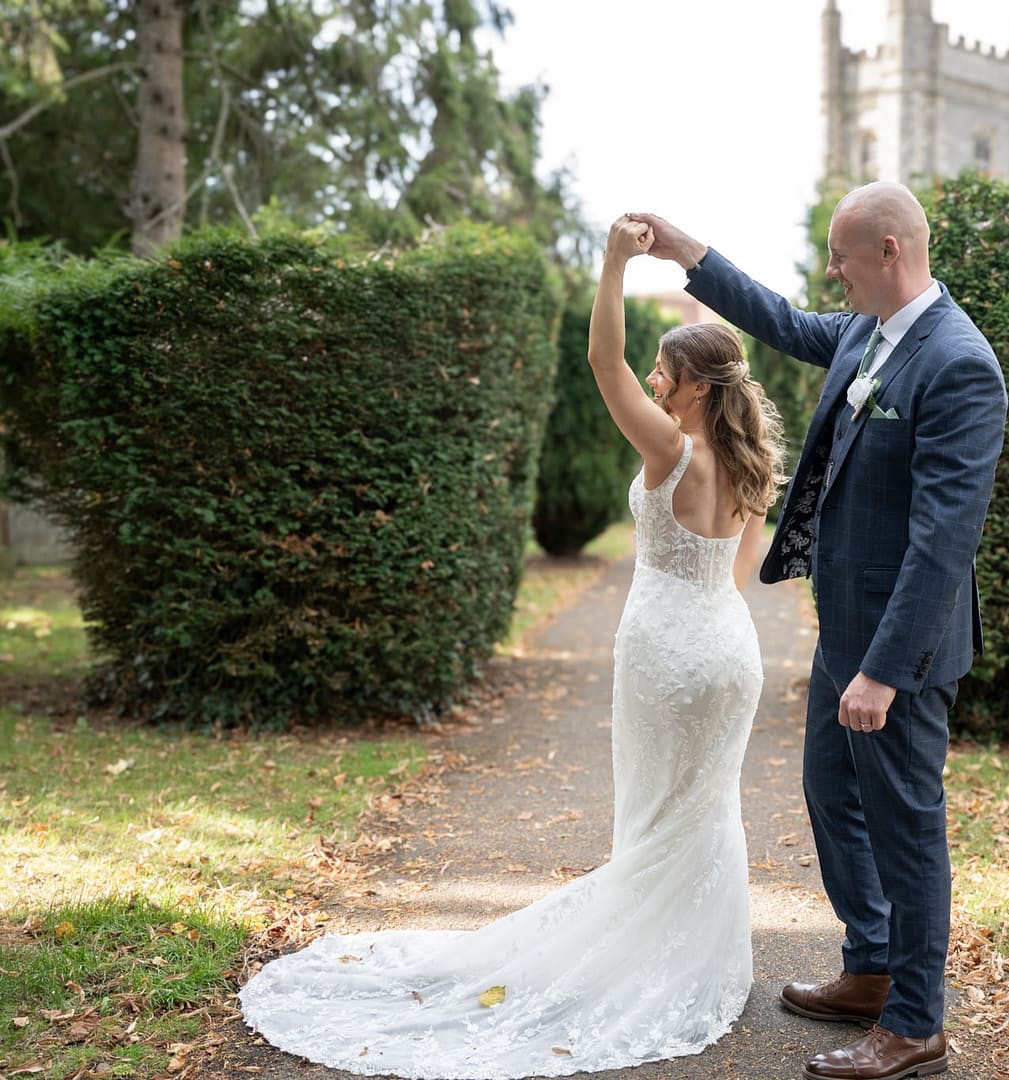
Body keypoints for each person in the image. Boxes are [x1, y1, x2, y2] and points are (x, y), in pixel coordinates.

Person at [235, 216, 786, 1078]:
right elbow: (739, 579)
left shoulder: (673, 449)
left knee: (649, 818)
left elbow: (603, 364)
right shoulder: (750, 469)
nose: (650, 378)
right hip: (729, 652)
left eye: (663, 372)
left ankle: (636, 959)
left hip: (666, 653)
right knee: (705, 810)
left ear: (690, 388)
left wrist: (611, 262)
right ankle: (697, 964)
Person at [632, 181, 1007, 1080]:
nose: (830, 271)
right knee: (831, 796)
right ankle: (872, 967)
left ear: (890, 252)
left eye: (841, 255)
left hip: (898, 655)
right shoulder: (863, 335)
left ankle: (916, 1023)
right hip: (842, 630)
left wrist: (881, 671)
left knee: (908, 828)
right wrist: (688, 251)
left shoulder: (960, 365)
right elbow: (779, 319)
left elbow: (941, 542)